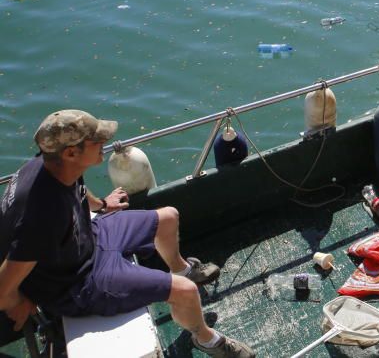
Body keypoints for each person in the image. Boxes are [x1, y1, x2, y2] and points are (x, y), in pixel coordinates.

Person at [0, 110, 254, 357]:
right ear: (71, 152)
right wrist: (19, 303)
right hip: (81, 281)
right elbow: (2, 288)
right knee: (185, 292)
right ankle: (207, 340)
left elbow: (77, 188)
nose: (106, 142)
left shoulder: (51, 164)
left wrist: (102, 204)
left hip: (90, 236)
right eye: (97, 140)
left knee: (168, 217)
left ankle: (182, 269)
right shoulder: (41, 215)